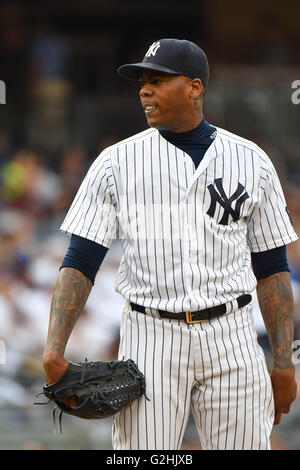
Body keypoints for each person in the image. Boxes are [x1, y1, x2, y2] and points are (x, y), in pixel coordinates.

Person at [42, 38, 298, 450]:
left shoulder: (252, 160)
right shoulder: (115, 162)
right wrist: (54, 348)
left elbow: (272, 267)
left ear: (195, 88)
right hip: (151, 335)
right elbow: (81, 260)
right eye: (143, 81)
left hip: (232, 334)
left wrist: (284, 361)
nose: (145, 89)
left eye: (158, 80)